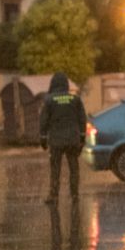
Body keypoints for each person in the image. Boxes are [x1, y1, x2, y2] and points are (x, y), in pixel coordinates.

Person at [38, 72, 87, 204]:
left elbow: (43, 121)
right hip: (72, 139)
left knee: (55, 169)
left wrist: (43, 138)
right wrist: (82, 137)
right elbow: (82, 119)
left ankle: (53, 196)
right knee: (74, 168)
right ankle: (75, 195)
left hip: (56, 141)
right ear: (66, 84)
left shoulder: (49, 100)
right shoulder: (75, 99)